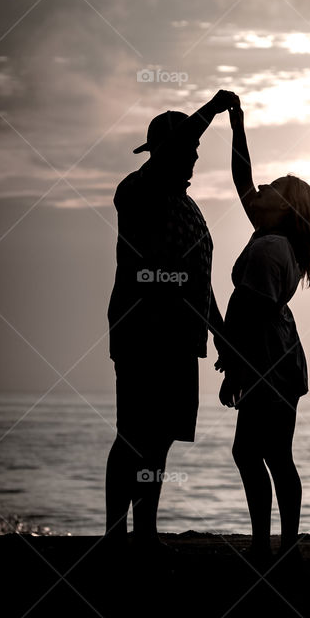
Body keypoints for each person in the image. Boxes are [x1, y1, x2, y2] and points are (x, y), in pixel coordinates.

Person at [105, 90, 237, 557]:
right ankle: (115, 535)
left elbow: (204, 282)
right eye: (189, 149)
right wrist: (211, 110)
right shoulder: (137, 191)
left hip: (183, 341)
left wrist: (224, 340)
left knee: (159, 441)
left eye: (197, 152)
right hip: (143, 335)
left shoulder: (192, 209)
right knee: (134, 435)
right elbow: (169, 153)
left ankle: (144, 533)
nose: (194, 158)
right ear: (167, 151)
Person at [214, 95, 310, 567]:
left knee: (260, 452)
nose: (262, 186)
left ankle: (273, 544)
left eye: (274, 187)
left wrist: (233, 366)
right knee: (269, 452)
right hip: (278, 355)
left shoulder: (270, 248)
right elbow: (242, 178)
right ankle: (279, 543)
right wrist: (238, 125)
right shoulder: (275, 237)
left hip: (267, 358)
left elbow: (250, 314)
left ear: (286, 208)